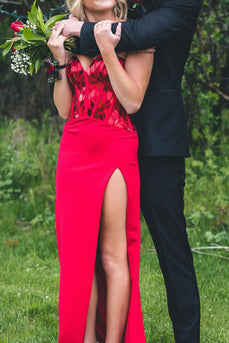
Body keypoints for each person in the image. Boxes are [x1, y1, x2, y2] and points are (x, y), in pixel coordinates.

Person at [53, 0, 202, 342]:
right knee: (90, 251)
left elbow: (137, 33)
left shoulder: (180, 6)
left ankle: (188, 337)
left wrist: (79, 29)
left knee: (171, 248)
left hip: (156, 141)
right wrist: (60, 42)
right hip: (97, 138)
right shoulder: (119, 8)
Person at [48, 0, 154, 342]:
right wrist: (60, 61)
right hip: (75, 148)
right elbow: (65, 110)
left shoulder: (136, 33)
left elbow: (133, 101)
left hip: (115, 145)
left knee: (112, 253)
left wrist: (108, 50)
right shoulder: (64, 32)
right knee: (80, 255)